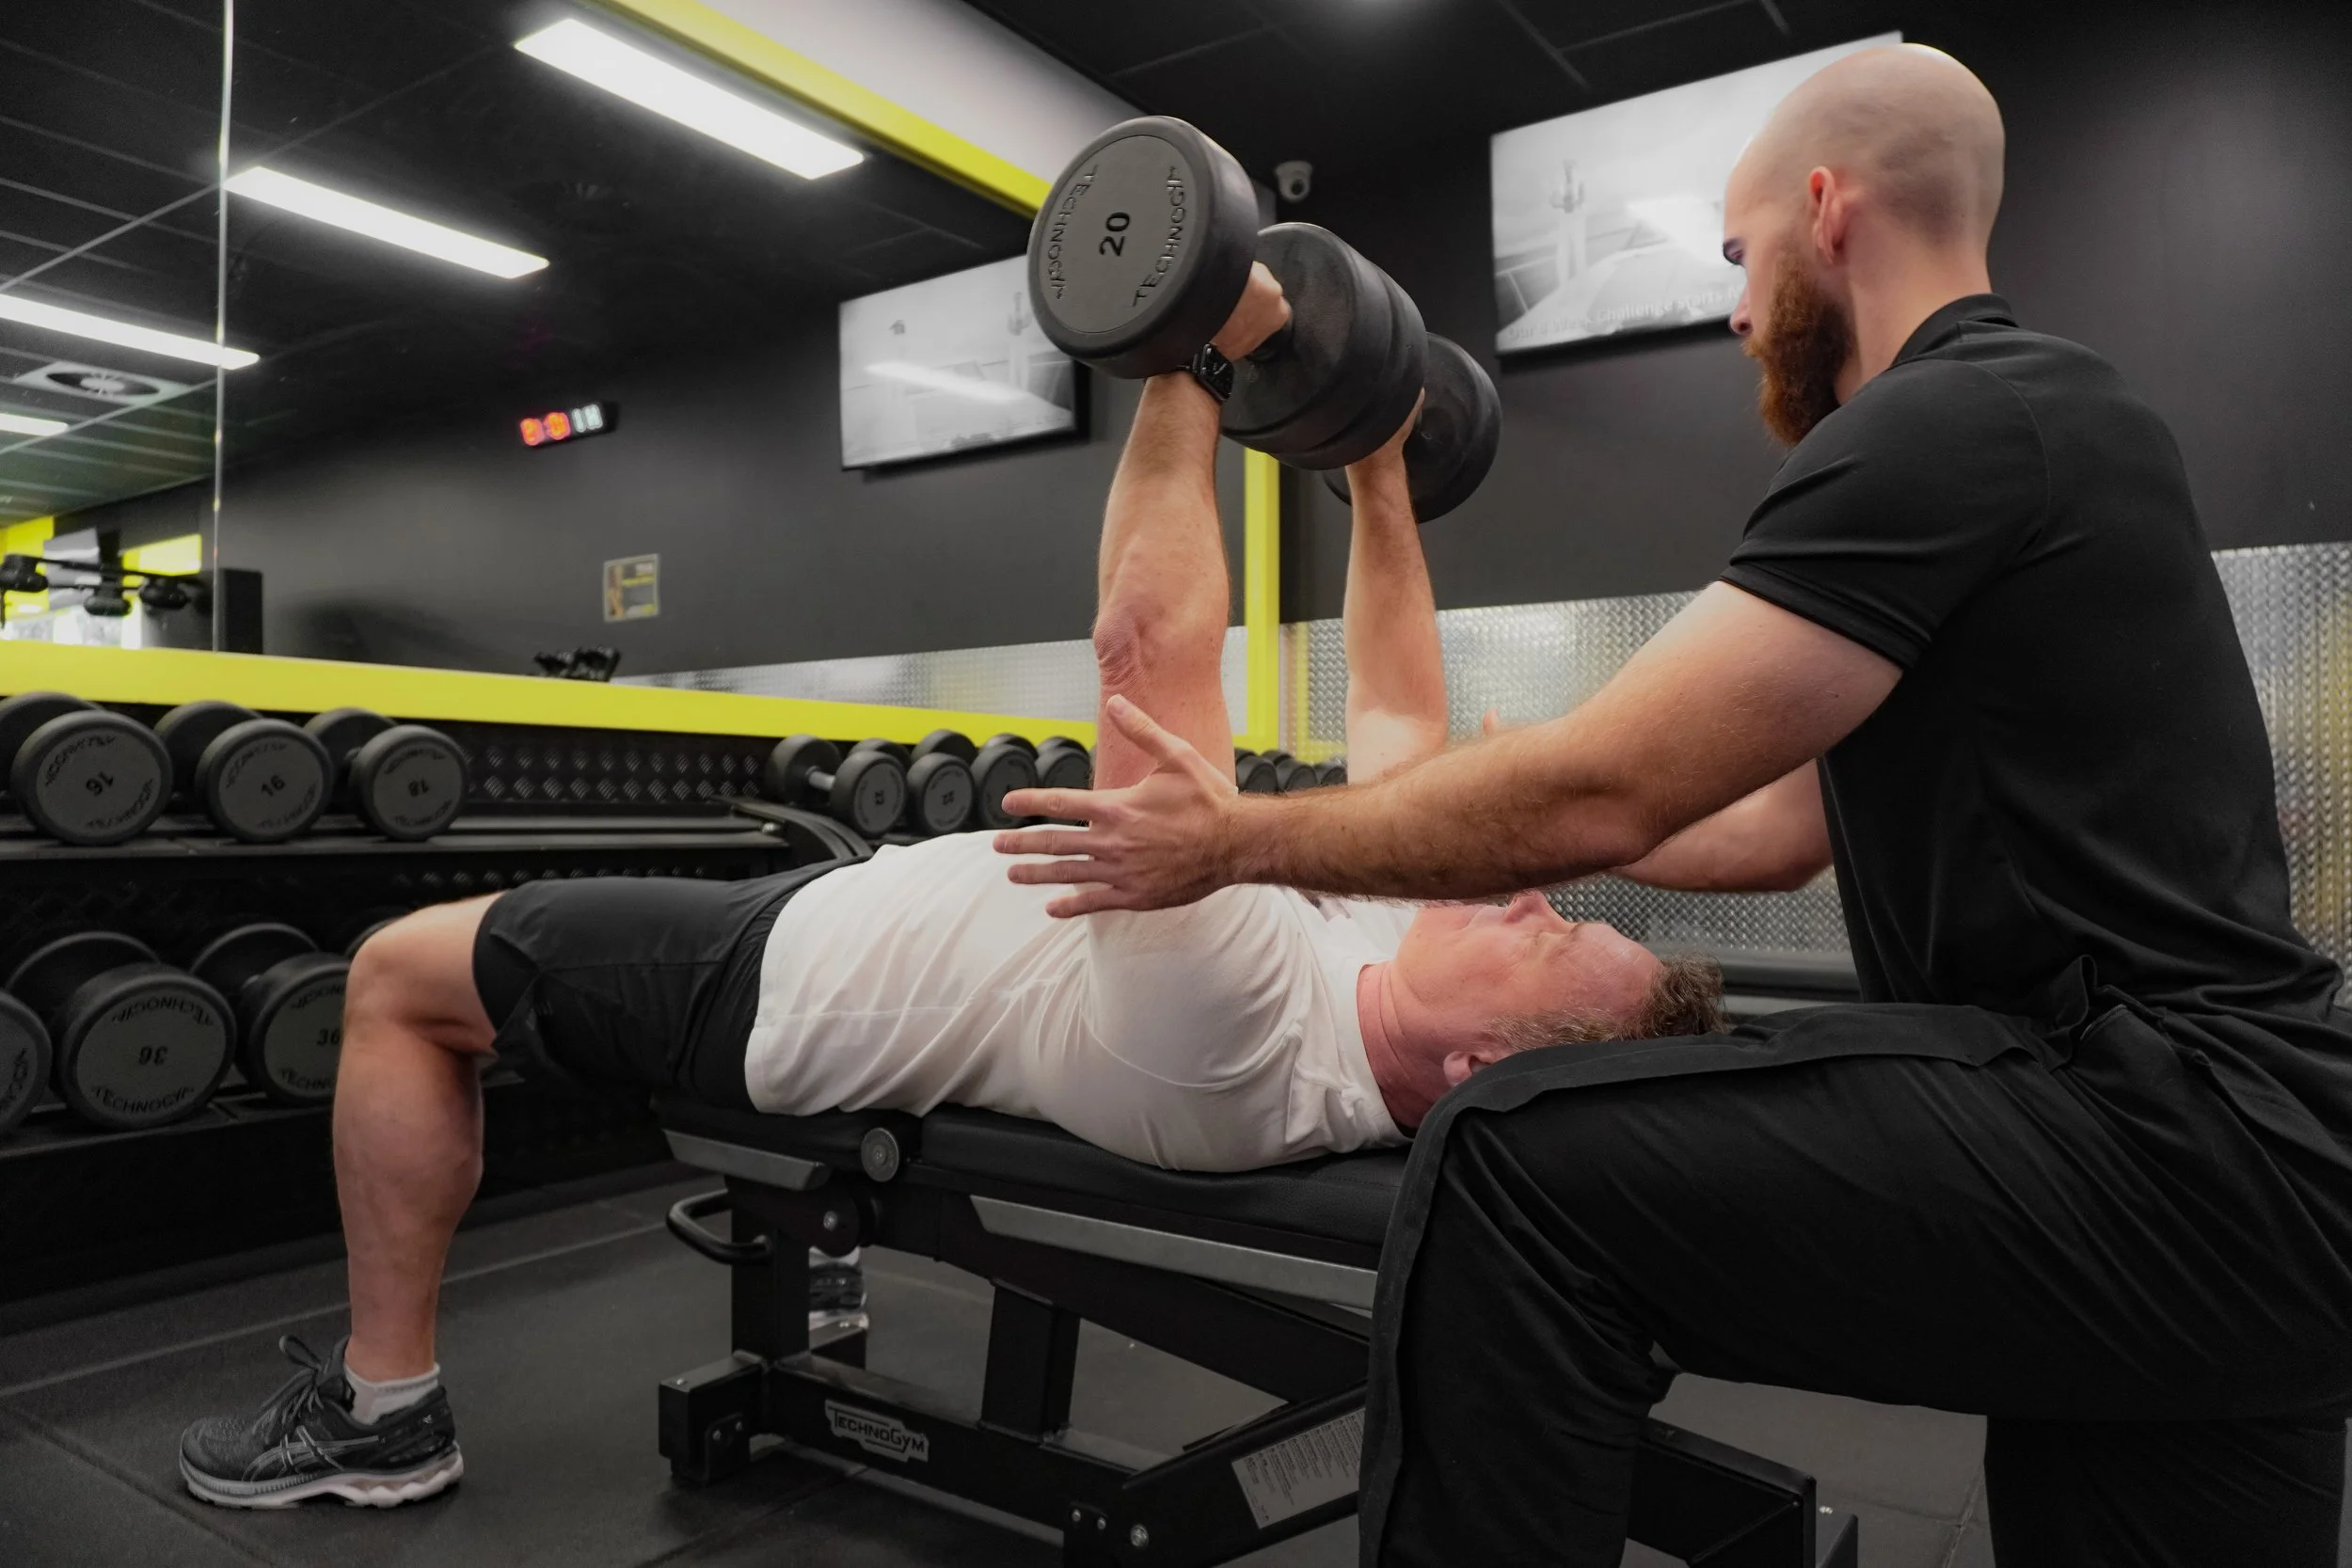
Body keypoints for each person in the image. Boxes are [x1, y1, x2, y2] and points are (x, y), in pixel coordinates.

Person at [993, 44, 2352, 1568]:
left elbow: (1613, 792)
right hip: (2262, 1180)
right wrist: (1481, 787)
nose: (1733, 307)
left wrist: (1236, 838)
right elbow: (1764, 830)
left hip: (2164, 1132)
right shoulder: (2059, 424)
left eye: (1739, 254)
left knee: (1511, 1172)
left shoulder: (1943, 425)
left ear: (1827, 213)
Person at [175, 264, 1723, 1513]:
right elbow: (1398, 715)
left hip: (771, 989)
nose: (1534, 901)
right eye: (1562, 904)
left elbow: (1147, 647)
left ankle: (383, 1412)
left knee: (391, 975)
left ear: (1476, 1070)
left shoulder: (1252, 1037)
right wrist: (1380, 469)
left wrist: (1194, 346)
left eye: (1557, 940)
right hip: (857, 916)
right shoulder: (1394, 955)